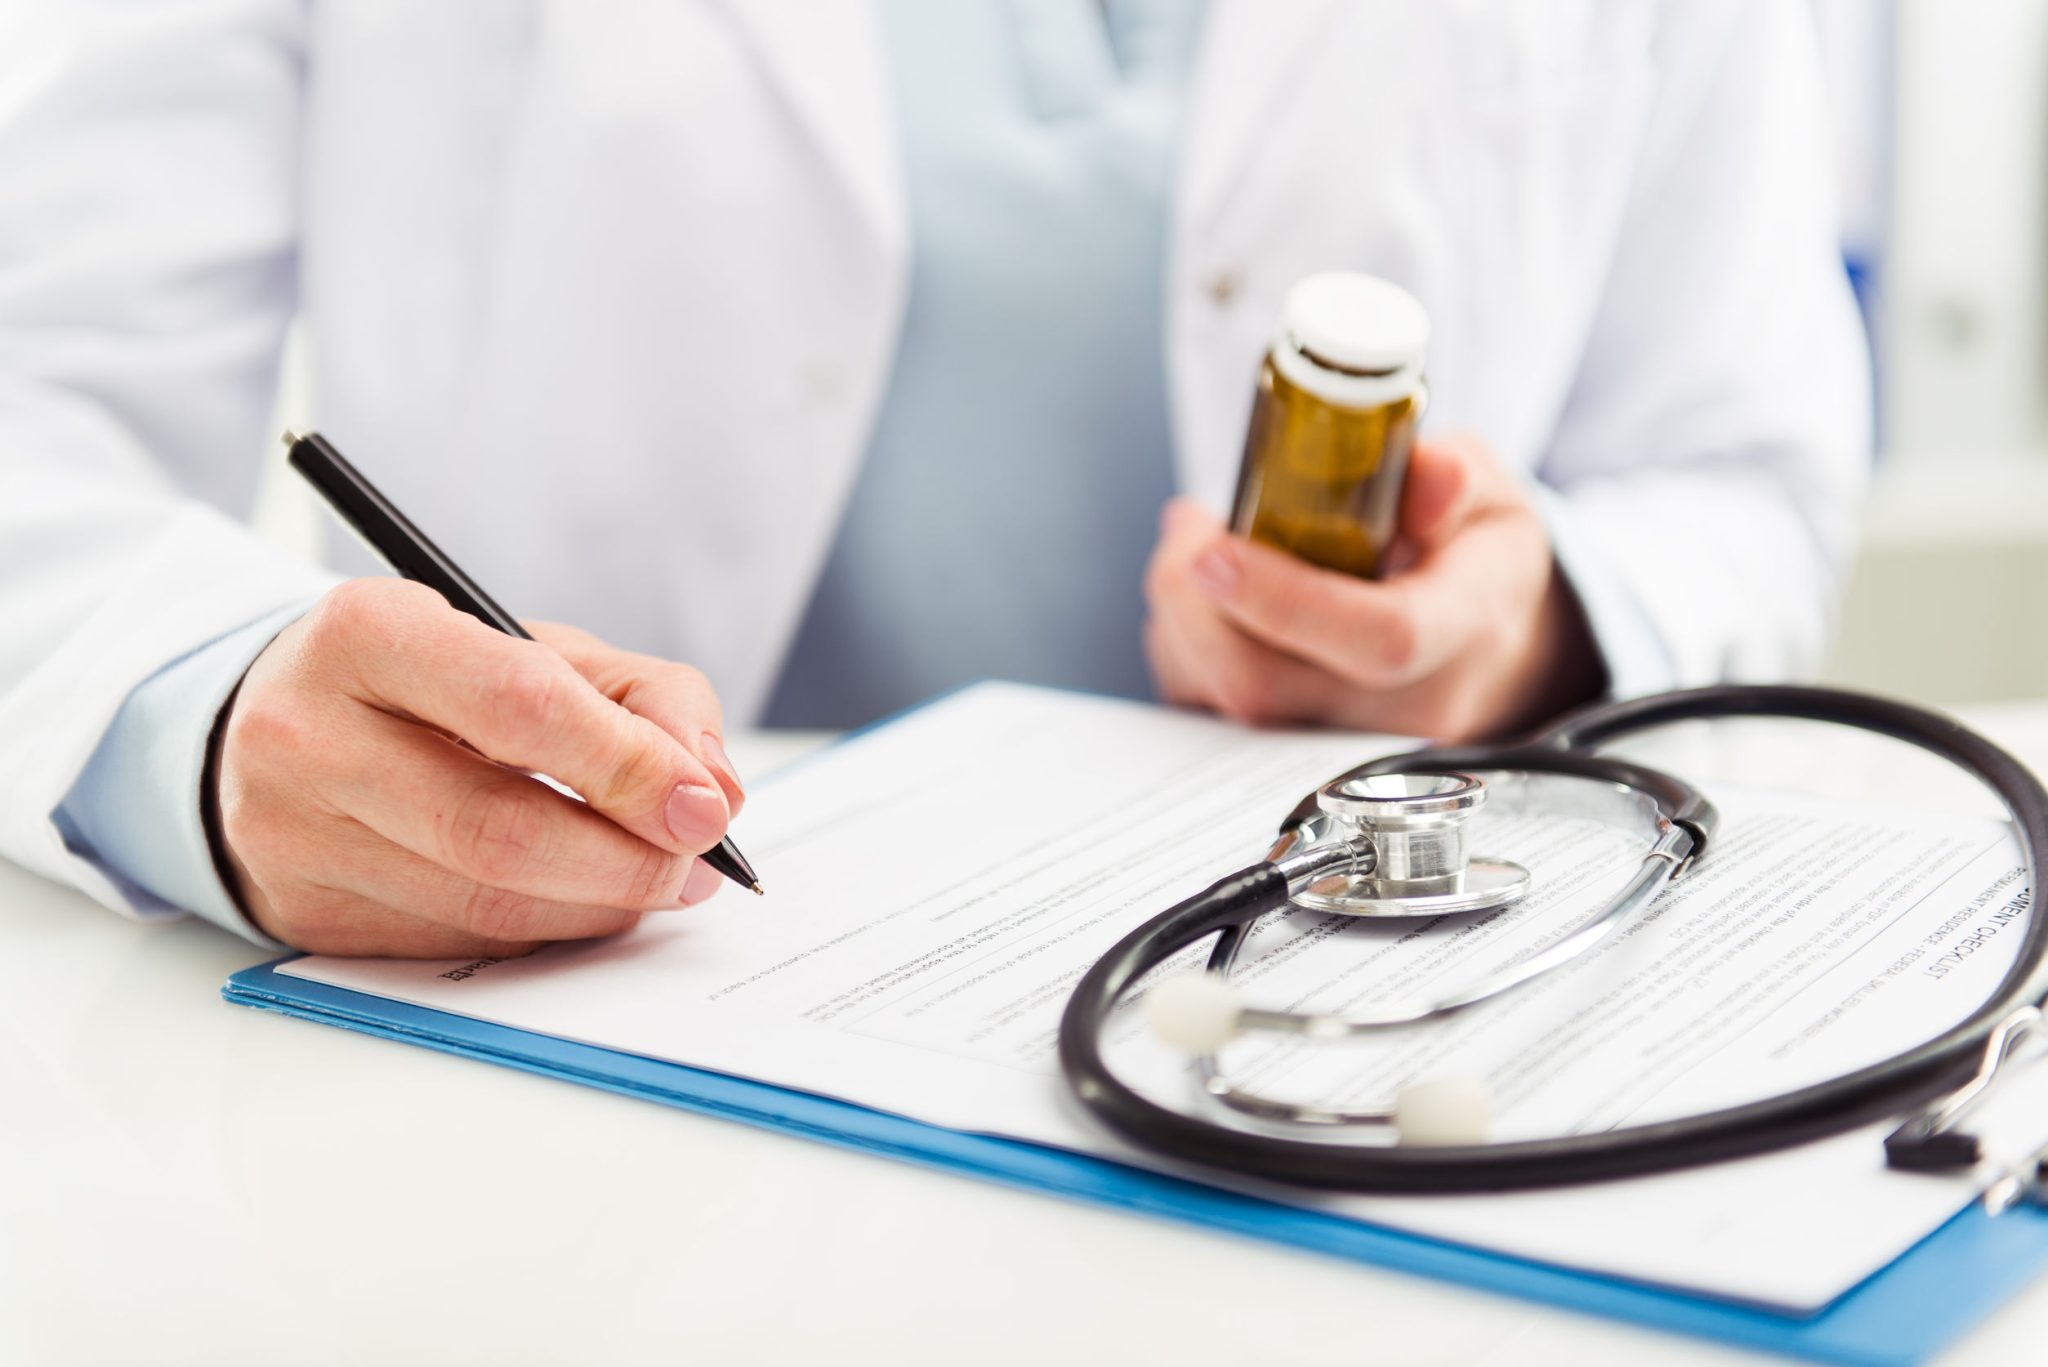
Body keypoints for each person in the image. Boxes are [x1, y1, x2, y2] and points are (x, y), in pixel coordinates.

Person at [0, 1, 1868, 958]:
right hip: (591, 1015)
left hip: (1344, 1023)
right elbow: (37, 394)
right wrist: (214, 720)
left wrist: (1523, 629)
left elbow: (1742, 468)